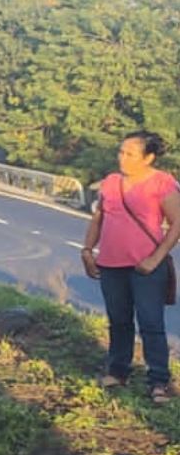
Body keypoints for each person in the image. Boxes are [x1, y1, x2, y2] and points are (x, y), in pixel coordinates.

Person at [81, 131, 180, 404]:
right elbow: (99, 218)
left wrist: (155, 259)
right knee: (119, 321)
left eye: (130, 154)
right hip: (111, 264)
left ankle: (159, 380)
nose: (122, 158)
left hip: (145, 267)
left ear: (148, 157)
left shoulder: (162, 183)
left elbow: (177, 224)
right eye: (121, 152)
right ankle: (117, 370)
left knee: (151, 324)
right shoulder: (111, 183)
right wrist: (88, 250)